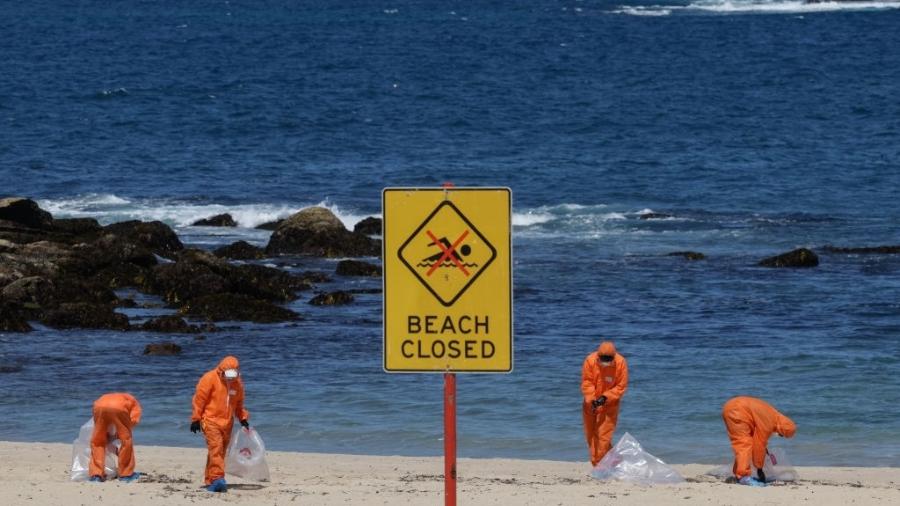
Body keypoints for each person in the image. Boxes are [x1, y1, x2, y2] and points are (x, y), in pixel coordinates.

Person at [191, 356, 251, 493]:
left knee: (219, 452)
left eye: (233, 375)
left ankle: (210, 479)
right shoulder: (209, 378)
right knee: (216, 448)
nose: (230, 378)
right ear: (221, 370)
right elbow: (199, 400)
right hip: (210, 420)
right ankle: (218, 479)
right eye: (227, 375)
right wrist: (196, 419)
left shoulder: (238, 383)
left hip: (227, 423)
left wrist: (243, 419)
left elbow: (239, 404)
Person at [722, 396, 796, 487]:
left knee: (743, 443)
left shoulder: (772, 414)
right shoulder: (769, 422)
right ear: (781, 429)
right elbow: (759, 445)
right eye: (781, 434)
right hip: (737, 410)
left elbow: (756, 439)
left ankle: (739, 474)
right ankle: (743, 477)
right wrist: (759, 469)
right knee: (743, 444)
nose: (779, 435)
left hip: (733, 407)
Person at [581, 341, 628, 466]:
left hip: (609, 405)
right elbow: (587, 382)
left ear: (613, 356)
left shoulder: (621, 362)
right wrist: (592, 399)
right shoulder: (590, 360)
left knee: (603, 437)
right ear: (598, 356)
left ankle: (600, 466)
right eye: (603, 359)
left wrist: (605, 398)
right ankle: (613, 462)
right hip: (590, 403)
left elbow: (621, 386)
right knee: (591, 436)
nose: (606, 362)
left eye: (608, 359)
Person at [89, 392, 142, 482]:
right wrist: (120, 433)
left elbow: (98, 421)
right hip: (119, 407)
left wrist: (108, 433)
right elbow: (133, 420)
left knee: (97, 441)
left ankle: (96, 475)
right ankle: (126, 474)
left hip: (99, 405)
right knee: (126, 441)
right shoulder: (133, 402)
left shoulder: (107, 396)